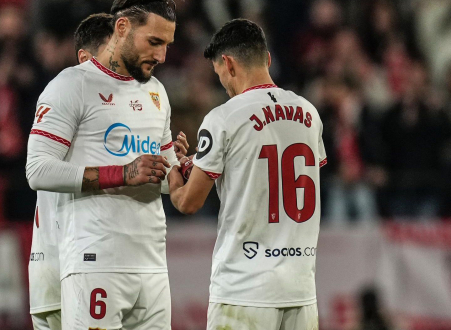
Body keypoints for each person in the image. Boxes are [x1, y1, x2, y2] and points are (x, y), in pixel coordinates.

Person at [26, 1, 179, 329]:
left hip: (151, 264)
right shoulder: (71, 85)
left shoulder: (156, 91)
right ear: (122, 29)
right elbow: (37, 169)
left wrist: (189, 166)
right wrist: (123, 173)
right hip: (94, 259)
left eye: (167, 45)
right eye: (154, 42)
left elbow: (165, 178)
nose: (162, 56)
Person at [168, 19, 327, 330]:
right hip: (301, 292)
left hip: (244, 292)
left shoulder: (224, 117)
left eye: (219, 76)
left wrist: (175, 171)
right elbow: (265, 170)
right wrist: (198, 163)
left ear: (227, 64)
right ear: (266, 59)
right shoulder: (309, 113)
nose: (224, 85)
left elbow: (188, 203)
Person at [28, 13, 114, 330]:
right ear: (85, 58)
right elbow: (36, 170)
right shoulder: (68, 91)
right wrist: (119, 174)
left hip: (66, 260)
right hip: (68, 261)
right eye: (112, 55)